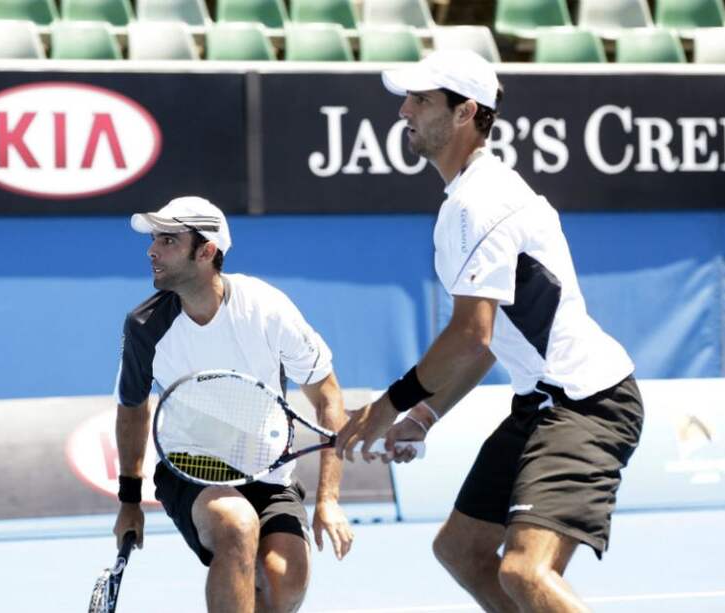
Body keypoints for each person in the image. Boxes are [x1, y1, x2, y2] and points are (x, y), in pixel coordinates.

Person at [335, 50, 644, 612]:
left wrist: (386, 407)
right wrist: (423, 416)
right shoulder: (463, 201)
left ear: (463, 113)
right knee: (461, 550)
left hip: (588, 405)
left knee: (525, 572)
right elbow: (488, 340)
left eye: (421, 100)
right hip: (539, 405)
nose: (404, 110)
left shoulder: (483, 202)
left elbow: (470, 336)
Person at [113, 196, 354, 613]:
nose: (152, 250)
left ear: (206, 251)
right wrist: (129, 501)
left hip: (268, 470)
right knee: (236, 526)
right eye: (154, 239)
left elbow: (328, 395)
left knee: (283, 582)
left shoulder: (266, 309)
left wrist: (328, 498)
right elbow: (132, 409)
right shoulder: (145, 326)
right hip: (188, 468)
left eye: (168, 240)